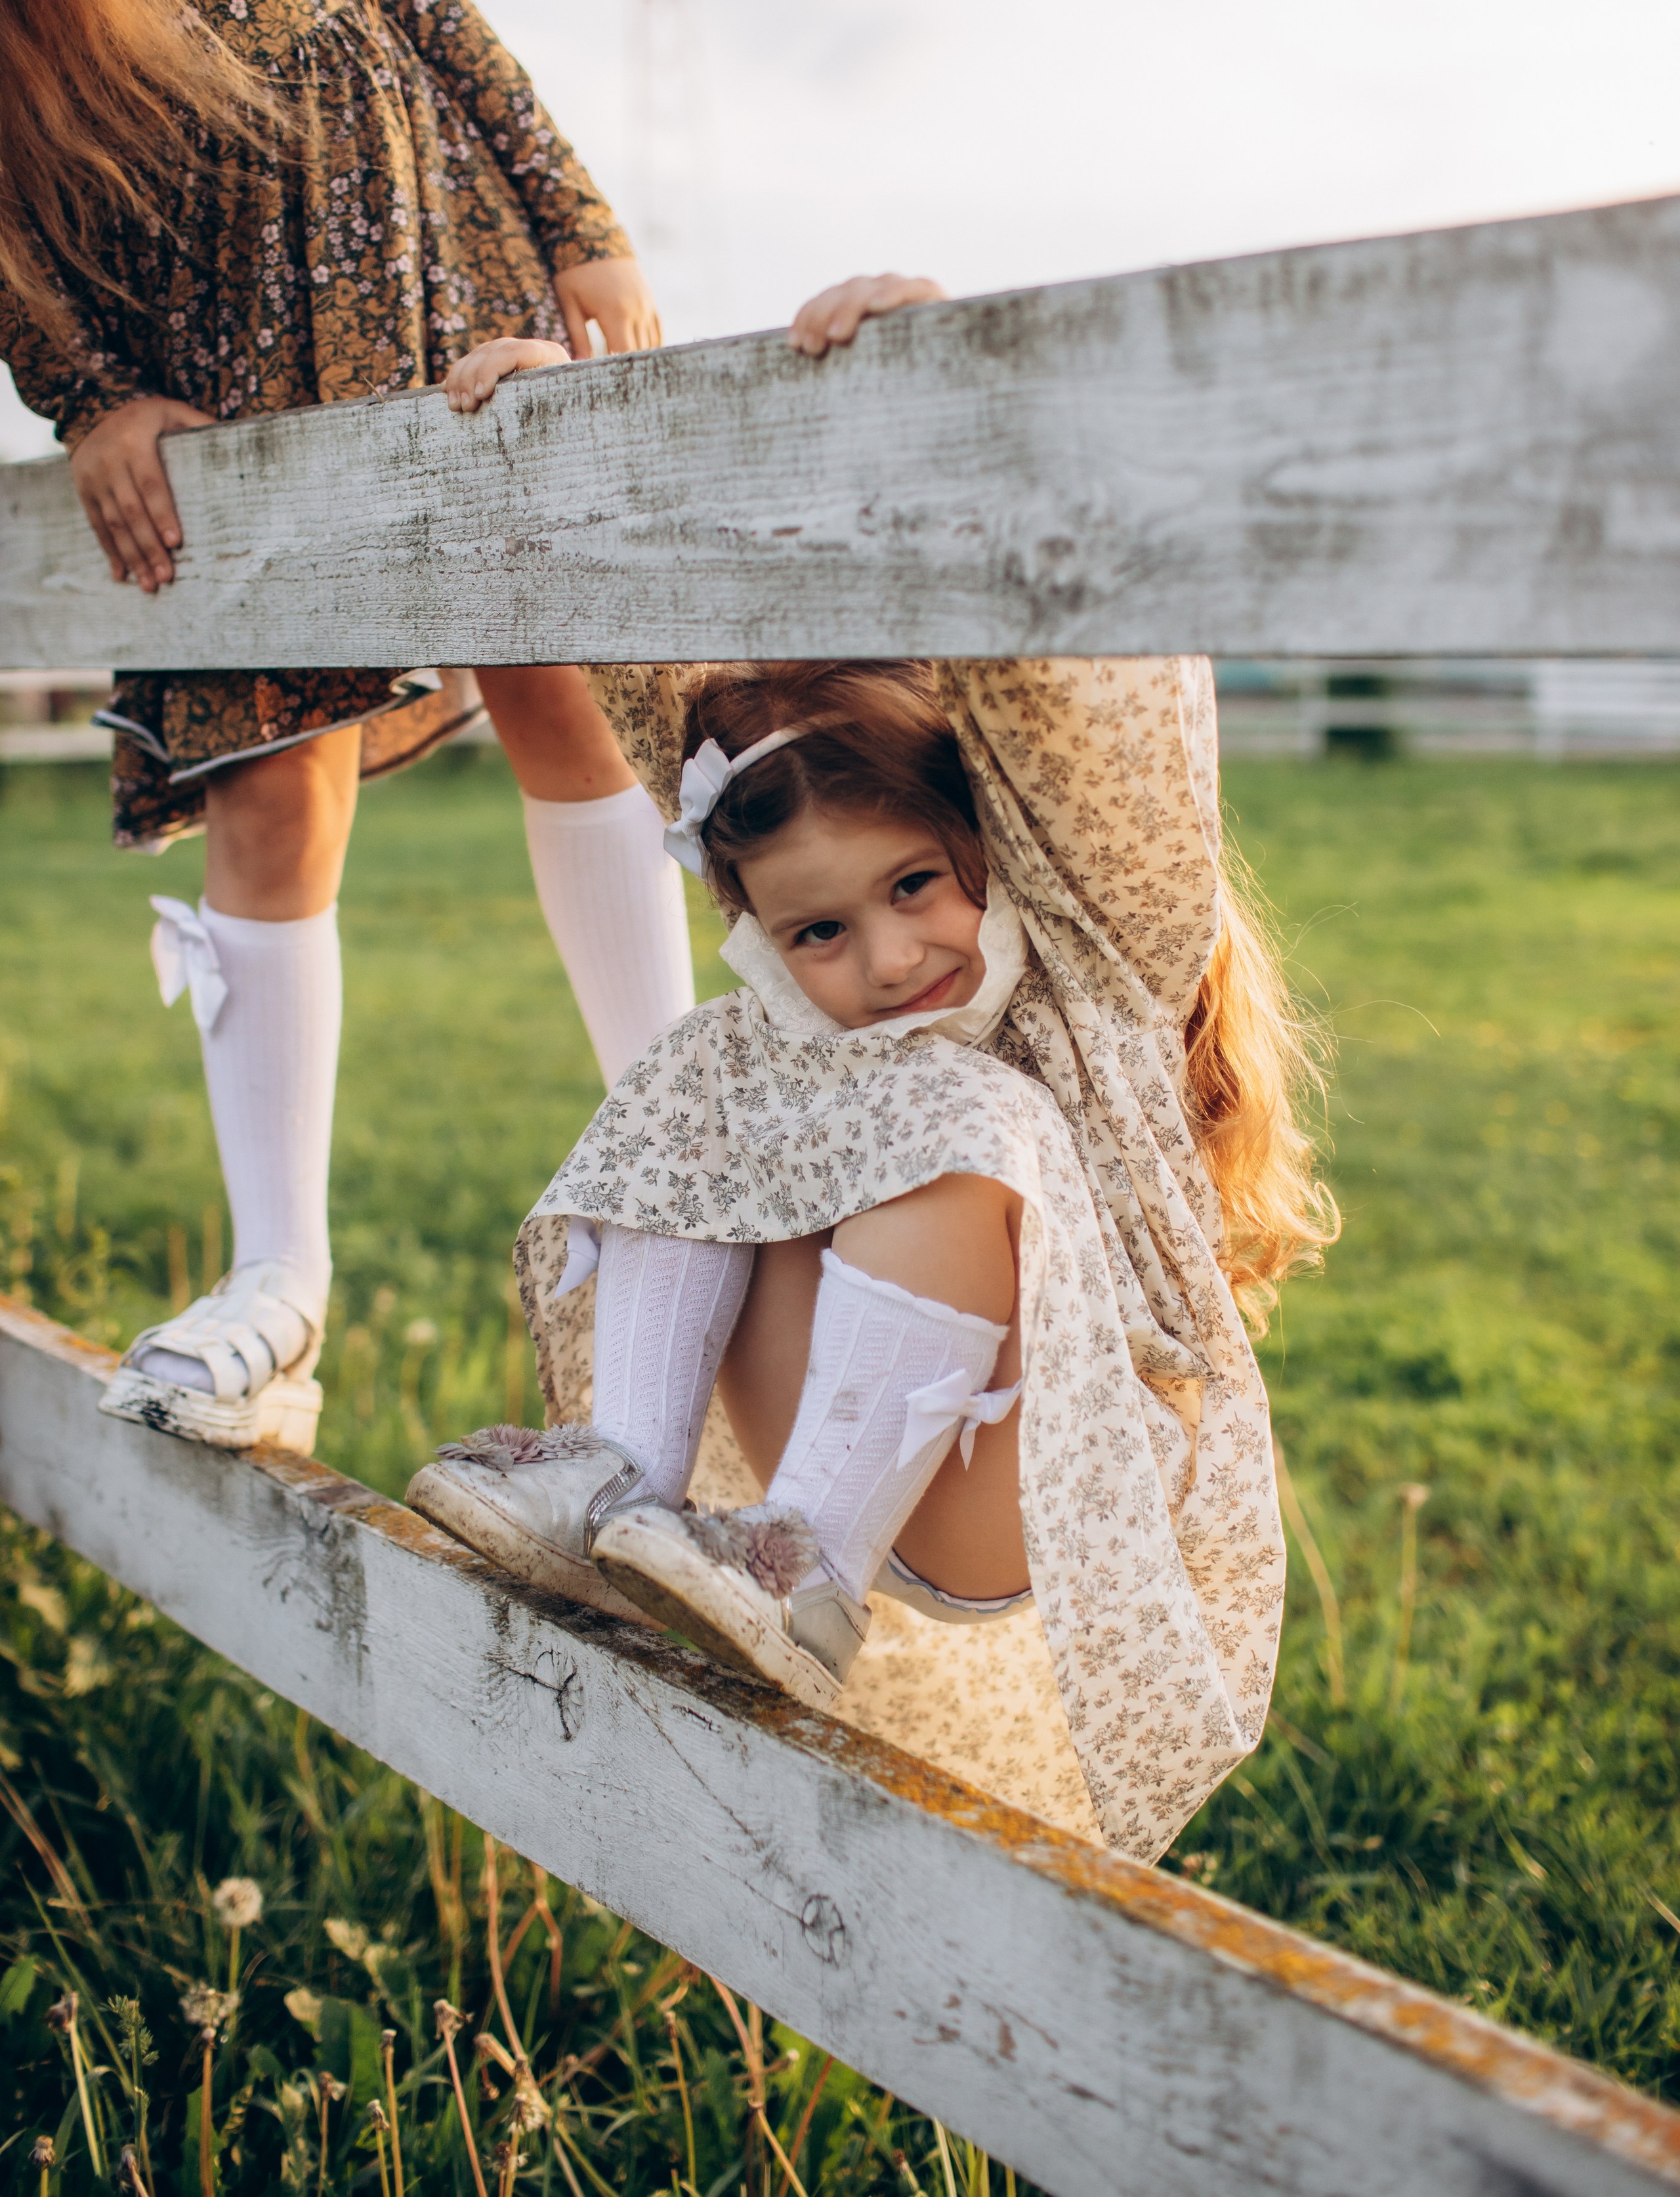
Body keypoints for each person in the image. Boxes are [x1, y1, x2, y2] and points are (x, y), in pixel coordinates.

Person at [406, 275, 1339, 1861]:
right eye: (820, 931)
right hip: (833, 1433)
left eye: (914, 886)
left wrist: (952, 386)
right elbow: (664, 683)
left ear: (976, 838)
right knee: (709, 1064)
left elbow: (1069, 691)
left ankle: (809, 1567)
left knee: (950, 1104)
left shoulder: (1089, 941)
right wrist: (562, 455)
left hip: (1031, 1470)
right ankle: (619, 1479)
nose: (890, 958)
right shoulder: (793, 1007)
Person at [0, 0, 695, 1453]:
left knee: (556, 685)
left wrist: (576, 212)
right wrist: (83, 391)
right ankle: (281, 1283)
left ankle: (682, 1154)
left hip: (426, 239)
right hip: (206, 330)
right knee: (267, 785)